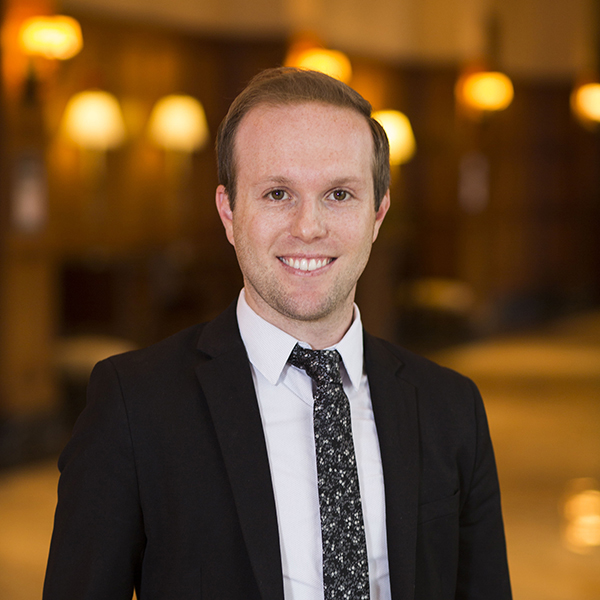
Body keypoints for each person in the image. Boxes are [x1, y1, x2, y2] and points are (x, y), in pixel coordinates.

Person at [43, 67, 511, 600]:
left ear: (378, 214)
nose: (308, 227)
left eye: (339, 194)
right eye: (277, 193)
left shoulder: (452, 408)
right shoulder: (134, 406)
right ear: (228, 211)